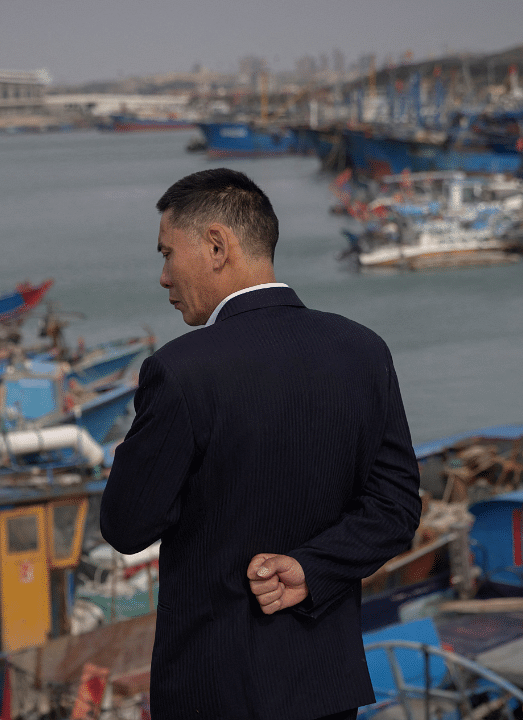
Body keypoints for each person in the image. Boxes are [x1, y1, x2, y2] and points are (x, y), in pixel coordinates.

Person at [100, 168, 423, 720]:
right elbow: (396, 508)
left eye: (167, 253)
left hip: (214, 693)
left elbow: (127, 526)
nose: (163, 277)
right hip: (326, 689)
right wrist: (311, 566)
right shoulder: (363, 351)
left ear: (217, 245)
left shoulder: (180, 372)